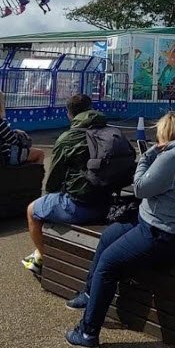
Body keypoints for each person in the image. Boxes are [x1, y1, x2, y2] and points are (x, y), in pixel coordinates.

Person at [64, 112, 175, 348]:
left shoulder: (171, 157)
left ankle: (88, 332)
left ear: (164, 134)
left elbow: (139, 188)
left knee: (108, 265)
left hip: (164, 234)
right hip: (159, 225)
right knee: (108, 236)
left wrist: (146, 156)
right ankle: (90, 294)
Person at [21, 94, 114, 275]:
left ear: (69, 114)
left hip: (80, 206)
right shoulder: (109, 133)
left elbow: (53, 182)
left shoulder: (68, 138)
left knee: (33, 210)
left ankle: (42, 257)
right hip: (108, 202)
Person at [0, 87, 45, 165]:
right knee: (40, 153)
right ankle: (32, 176)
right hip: (4, 158)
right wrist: (20, 135)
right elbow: (14, 141)